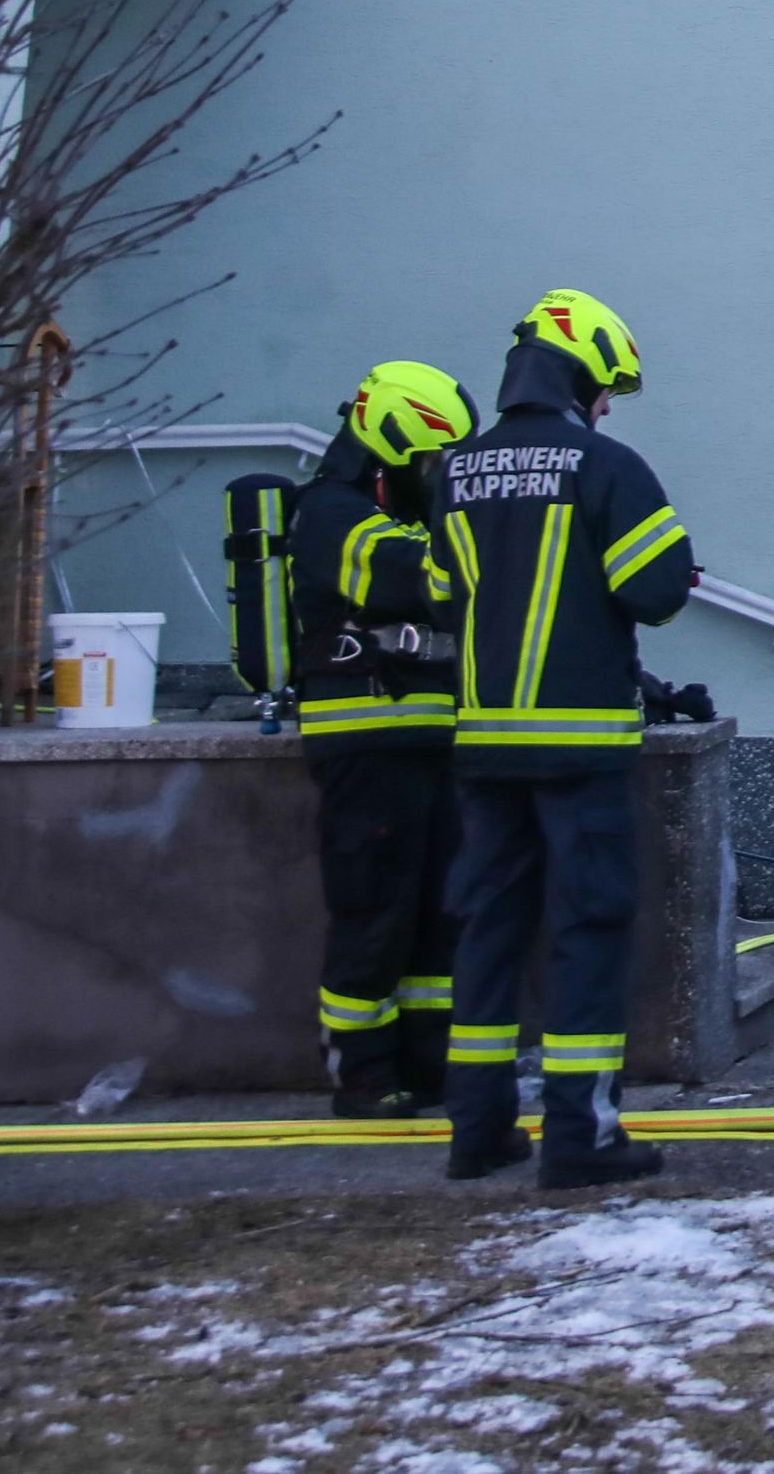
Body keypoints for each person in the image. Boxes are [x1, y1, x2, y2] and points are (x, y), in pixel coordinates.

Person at [438, 291, 697, 1188]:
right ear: (580, 374)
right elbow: (656, 589)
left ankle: (476, 1128)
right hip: (580, 747)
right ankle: (580, 1133)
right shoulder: (605, 465)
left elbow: (438, 590)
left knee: (488, 931)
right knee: (587, 930)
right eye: (607, 387)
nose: (609, 406)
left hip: (483, 748)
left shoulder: (456, 468)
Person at [285, 360, 477, 1119]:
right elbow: (414, 581)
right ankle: (362, 1072)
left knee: (439, 915)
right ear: (393, 450)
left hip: (431, 740)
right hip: (365, 743)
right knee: (374, 910)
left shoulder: (404, 513)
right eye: (433, 461)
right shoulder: (333, 516)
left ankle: (432, 1062)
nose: (443, 475)